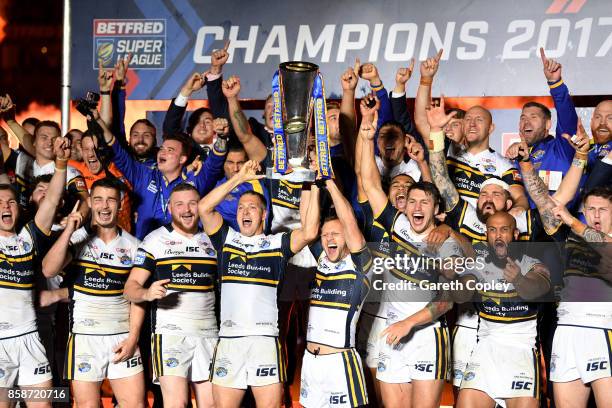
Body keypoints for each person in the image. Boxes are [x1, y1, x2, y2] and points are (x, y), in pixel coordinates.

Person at [360, 109, 464, 408]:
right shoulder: (398, 225)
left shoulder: (445, 243)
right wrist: (367, 139)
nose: (417, 206)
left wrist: (409, 323)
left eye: (425, 202)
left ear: (435, 210)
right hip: (392, 333)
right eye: (413, 201)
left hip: (426, 336)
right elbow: (369, 183)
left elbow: (447, 300)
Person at [199, 160, 320, 408]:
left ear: (264, 215)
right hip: (230, 340)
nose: (245, 212)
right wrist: (239, 178)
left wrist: (312, 182)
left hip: (265, 340)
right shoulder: (226, 239)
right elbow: (204, 208)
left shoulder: (277, 244)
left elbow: (309, 231)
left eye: (252, 208)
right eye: (241, 207)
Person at [42, 178, 146, 407]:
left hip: (121, 336)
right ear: (90, 202)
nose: (105, 206)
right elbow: (49, 269)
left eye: (111, 200)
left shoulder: (135, 246)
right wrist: (69, 228)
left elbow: (137, 299)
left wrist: (133, 338)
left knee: (136, 405)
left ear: (120, 204)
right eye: (98, 200)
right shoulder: (77, 240)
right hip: (85, 338)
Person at [124, 183, 219, 408]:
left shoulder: (214, 238)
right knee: (177, 404)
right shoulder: (155, 240)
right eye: (179, 204)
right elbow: (130, 287)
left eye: (192, 203)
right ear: (169, 208)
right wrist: (147, 293)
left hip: (208, 334)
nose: (186, 210)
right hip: (170, 335)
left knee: (212, 405)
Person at [0, 136, 70, 407]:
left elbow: (51, 203)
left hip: (30, 340)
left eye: (11, 202)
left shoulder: (27, 238)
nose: (6, 207)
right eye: (0, 202)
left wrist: (61, 163)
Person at [457, 212, 551, 408]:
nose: (498, 236)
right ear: (486, 235)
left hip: (522, 353)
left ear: (515, 233)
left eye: (504, 230)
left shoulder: (533, 264)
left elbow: (539, 288)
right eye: (492, 230)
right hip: (485, 351)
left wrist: (518, 280)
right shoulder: (477, 265)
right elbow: (458, 296)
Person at [413, 51, 528, 211]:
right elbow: (421, 121)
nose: (472, 124)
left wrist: (516, 213)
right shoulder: (448, 148)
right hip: (445, 226)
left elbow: (520, 199)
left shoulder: (504, 165)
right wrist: (426, 80)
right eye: (468, 120)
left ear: (491, 128)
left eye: (479, 120)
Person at [93, 108, 226, 239]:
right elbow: (118, 151)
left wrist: (221, 137)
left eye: (170, 150)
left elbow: (214, 164)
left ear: (182, 159)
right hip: (145, 251)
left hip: (181, 252)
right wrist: (98, 120)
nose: (162, 152)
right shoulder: (144, 175)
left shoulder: (193, 180)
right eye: (161, 148)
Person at [299, 178, 372, 408]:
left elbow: (349, 220)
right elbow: (306, 224)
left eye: (336, 234)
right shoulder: (322, 260)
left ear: (349, 239)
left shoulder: (361, 263)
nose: (329, 238)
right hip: (311, 362)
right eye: (325, 235)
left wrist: (329, 183)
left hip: (340, 362)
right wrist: (310, 182)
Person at [545, 187, 612, 407]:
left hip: (602, 329)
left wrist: (572, 220)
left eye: (603, 209)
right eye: (590, 208)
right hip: (567, 329)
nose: (595, 214)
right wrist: (525, 162)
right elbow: (545, 204)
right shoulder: (570, 237)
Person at [513, 48, 579, 207]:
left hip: (561, 225)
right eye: (523, 118)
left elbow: (567, 116)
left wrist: (555, 84)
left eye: (533, 117)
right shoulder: (514, 157)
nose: (526, 122)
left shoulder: (561, 148)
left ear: (548, 124)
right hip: (527, 228)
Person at [69, 131, 133, 233]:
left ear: (104, 150)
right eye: (86, 149)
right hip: (81, 241)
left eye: (95, 149)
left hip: (114, 240)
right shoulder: (73, 169)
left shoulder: (119, 175)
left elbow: (122, 218)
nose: (91, 154)